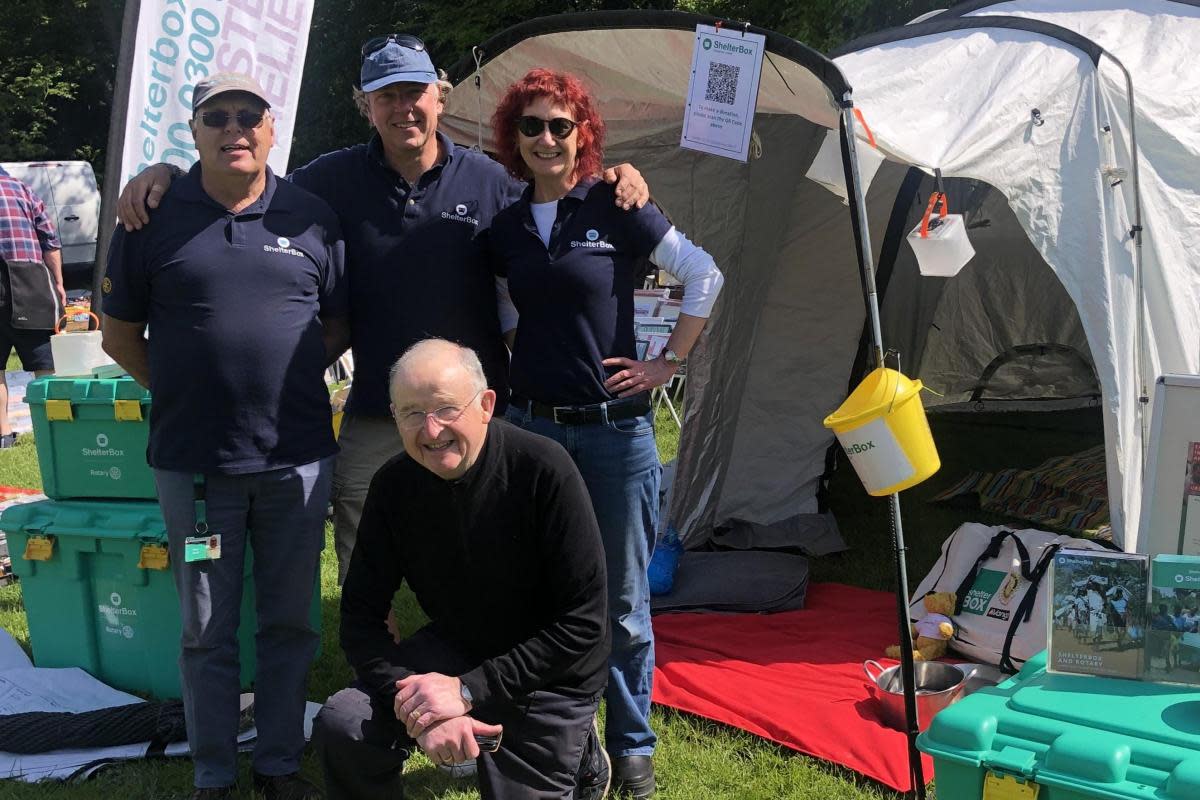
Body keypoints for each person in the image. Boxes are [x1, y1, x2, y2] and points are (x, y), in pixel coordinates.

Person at [116, 34, 650, 585]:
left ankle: (478, 666)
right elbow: (245, 183)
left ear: (440, 97)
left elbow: (557, 195)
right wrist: (168, 174)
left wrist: (617, 176)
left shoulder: (492, 182)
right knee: (366, 555)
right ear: (365, 105)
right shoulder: (330, 180)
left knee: (493, 549)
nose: (403, 108)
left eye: (414, 91)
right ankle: (374, 665)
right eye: (385, 95)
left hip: (478, 409)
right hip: (378, 412)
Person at [102, 73, 348, 800]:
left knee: (289, 624)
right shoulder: (152, 217)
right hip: (196, 468)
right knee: (207, 633)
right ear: (195, 130)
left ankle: (276, 767)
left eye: (250, 115)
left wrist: (291, 377)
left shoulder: (311, 215)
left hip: (297, 463)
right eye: (218, 116)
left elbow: (337, 322)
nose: (234, 127)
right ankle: (213, 776)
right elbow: (118, 336)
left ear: (273, 130)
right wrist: (182, 391)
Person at [487, 68, 725, 797]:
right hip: (533, 432)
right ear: (515, 139)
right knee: (545, 592)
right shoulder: (505, 227)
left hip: (616, 436)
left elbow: (705, 274)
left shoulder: (617, 204)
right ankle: (565, 741)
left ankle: (632, 752)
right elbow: (503, 310)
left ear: (583, 134)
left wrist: (668, 364)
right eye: (534, 126)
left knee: (622, 602)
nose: (548, 138)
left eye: (562, 125)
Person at [312, 338, 611, 800]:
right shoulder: (393, 487)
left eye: (446, 410)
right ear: (393, 416)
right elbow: (359, 617)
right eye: (411, 414)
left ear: (487, 404)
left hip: (553, 672)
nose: (431, 431)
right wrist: (420, 706)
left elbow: (583, 624)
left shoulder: (545, 470)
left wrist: (468, 692)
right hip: (459, 648)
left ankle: (580, 749)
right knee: (344, 723)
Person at [0, 171, 66, 446]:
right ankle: (53, 431)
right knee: (46, 367)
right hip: (33, 287)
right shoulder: (22, 189)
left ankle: (3, 437)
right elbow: (50, 241)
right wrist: (59, 283)